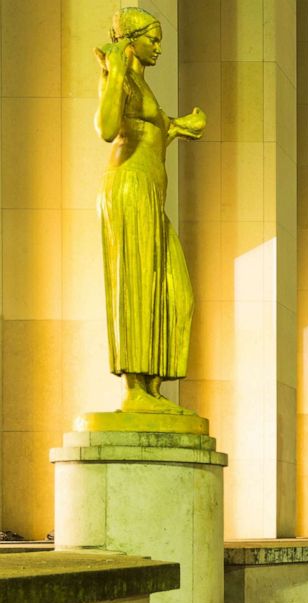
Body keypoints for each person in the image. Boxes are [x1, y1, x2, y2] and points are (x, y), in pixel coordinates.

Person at [94, 7, 205, 414]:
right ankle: (135, 390)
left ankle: (152, 386)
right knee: (139, 284)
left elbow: (150, 130)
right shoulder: (119, 76)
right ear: (132, 40)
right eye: (152, 40)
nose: (158, 47)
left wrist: (179, 126)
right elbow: (106, 128)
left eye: (160, 40)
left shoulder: (142, 84)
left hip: (150, 195)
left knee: (177, 294)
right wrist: (115, 72)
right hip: (129, 187)